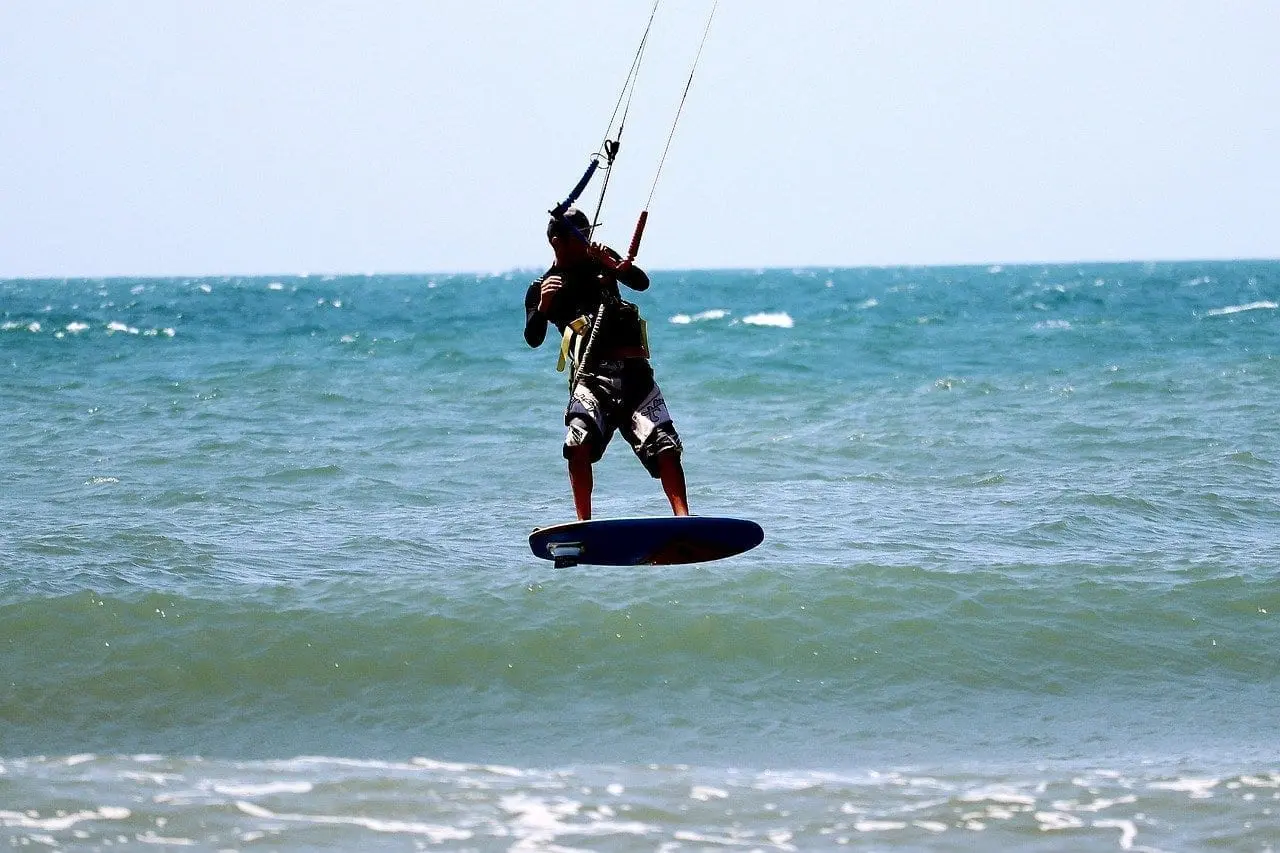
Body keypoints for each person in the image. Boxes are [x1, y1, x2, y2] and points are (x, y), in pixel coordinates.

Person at [524, 207, 689, 521]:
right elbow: (533, 337)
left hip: (635, 375)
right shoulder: (542, 287)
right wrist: (544, 306)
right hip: (591, 379)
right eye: (580, 236)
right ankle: (583, 523)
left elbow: (640, 282)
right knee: (577, 443)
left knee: (665, 445)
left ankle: (683, 519)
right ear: (557, 241)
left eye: (588, 234)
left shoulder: (600, 260)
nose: (587, 241)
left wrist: (614, 265)